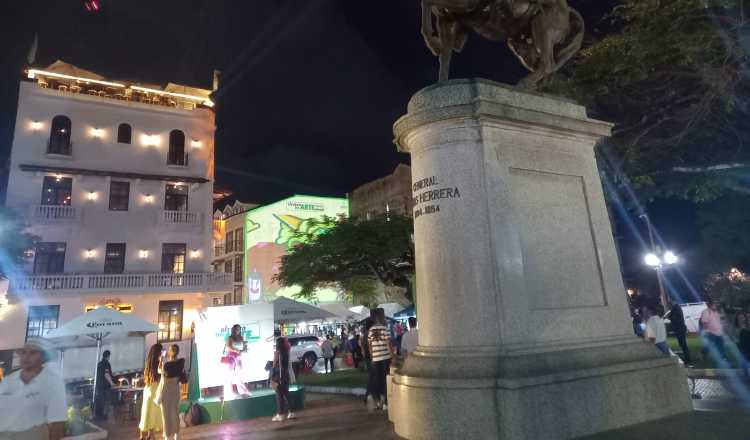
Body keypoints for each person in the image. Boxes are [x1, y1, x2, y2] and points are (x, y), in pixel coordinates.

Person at [0, 339, 67, 440]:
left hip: (32, 435)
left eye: (33, 352)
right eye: (23, 352)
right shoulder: (8, 380)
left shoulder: (53, 382)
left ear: (43, 356)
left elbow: (57, 423)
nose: (26, 357)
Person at [367, 308, 395, 411]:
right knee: (385, 380)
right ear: (381, 317)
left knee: (377, 380)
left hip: (375, 358)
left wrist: (372, 357)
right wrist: (393, 357)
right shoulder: (385, 329)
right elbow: (388, 344)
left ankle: (378, 401)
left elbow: (370, 346)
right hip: (385, 358)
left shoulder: (371, 330)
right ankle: (385, 403)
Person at [160, 344, 186, 440]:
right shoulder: (181, 362)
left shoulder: (167, 365)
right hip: (176, 389)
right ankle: (177, 435)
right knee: (175, 411)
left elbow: (161, 372)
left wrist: (161, 360)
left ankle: (167, 436)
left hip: (166, 390)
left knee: (166, 413)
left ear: (170, 352)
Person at [139, 343, 164, 440]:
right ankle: (152, 435)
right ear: (159, 352)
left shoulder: (148, 362)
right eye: (161, 351)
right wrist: (162, 361)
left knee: (146, 412)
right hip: (155, 389)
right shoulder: (158, 362)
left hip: (148, 389)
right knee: (153, 413)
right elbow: (161, 375)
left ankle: (143, 435)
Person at [224, 324, 251, 399]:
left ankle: (243, 392)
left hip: (238, 358)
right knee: (229, 376)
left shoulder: (241, 337)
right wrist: (236, 350)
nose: (237, 331)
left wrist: (245, 349)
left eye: (238, 329)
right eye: (235, 329)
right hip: (231, 358)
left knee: (239, 375)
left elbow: (243, 346)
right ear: (233, 329)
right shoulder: (230, 338)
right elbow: (229, 347)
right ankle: (229, 393)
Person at [271, 337, 295, 422]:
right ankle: (291, 412)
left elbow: (274, 365)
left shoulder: (277, 353)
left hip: (279, 375)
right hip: (285, 375)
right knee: (286, 394)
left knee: (279, 395)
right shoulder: (286, 352)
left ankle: (280, 414)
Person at [699, 298, 727, 363]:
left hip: (719, 332)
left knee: (721, 345)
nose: (716, 305)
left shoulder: (717, 312)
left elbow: (720, 321)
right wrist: (706, 331)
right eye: (714, 304)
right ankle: (703, 352)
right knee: (709, 345)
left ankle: (722, 358)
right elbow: (704, 322)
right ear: (710, 304)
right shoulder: (706, 312)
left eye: (716, 304)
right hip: (710, 332)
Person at [94, 349, 115, 421]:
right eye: (109, 356)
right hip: (104, 386)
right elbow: (106, 374)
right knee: (103, 401)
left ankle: (98, 415)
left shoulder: (99, 363)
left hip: (98, 385)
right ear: (108, 356)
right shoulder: (106, 363)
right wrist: (112, 383)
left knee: (99, 400)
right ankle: (102, 416)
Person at [733, 312, 750, 377]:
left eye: (743, 317)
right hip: (742, 348)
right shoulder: (736, 328)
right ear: (737, 319)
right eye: (740, 318)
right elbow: (735, 339)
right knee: (744, 363)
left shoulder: (747, 325)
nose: (742, 319)